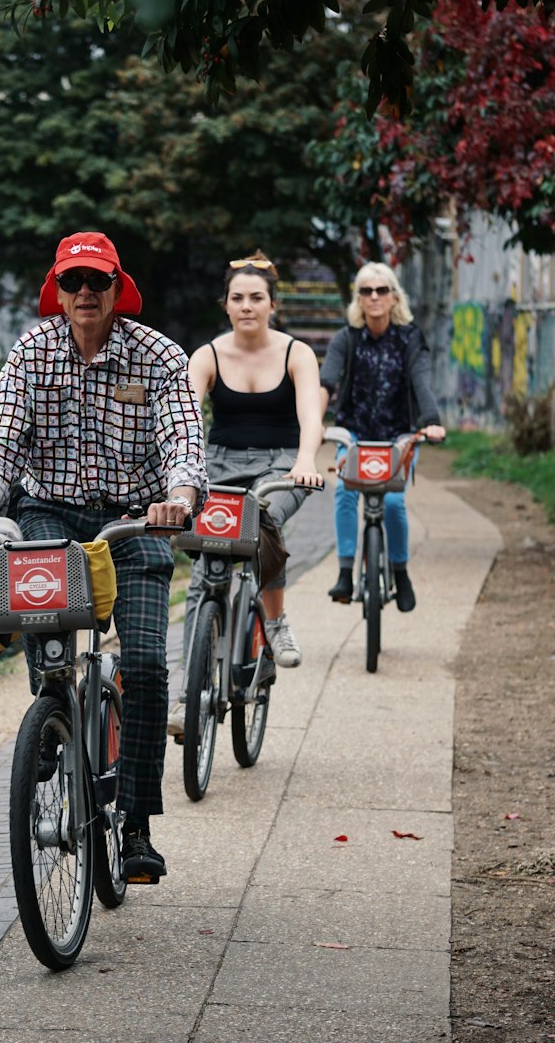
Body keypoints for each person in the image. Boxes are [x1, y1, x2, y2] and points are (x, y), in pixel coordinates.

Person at [0, 230, 207, 882]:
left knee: (143, 663)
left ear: (119, 288)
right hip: (50, 512)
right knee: (40, 618)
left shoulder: (159, 355)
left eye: (98, 281)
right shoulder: (32, 352)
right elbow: (1, 438)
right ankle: (52, 718)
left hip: (138, 516)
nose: (85, 292)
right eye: (73, 282)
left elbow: (181, 439)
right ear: (56, 291)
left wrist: (177, 496)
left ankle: (138, 824)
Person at [168, 253, 324, 733]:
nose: (247, 306)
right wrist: (178, 476)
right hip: (218, 466)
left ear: (271, 303)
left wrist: (304, 461)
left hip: (281, 464)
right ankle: (185, 694)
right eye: (238, 298)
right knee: (202, 573)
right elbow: (185, 420)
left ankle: (274, 622)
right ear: (227, 305)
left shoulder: (296, 352)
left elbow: (311, 417)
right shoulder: (207, 356)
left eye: (256, 297)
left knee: (261, 519)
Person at [319, 261, 446, 611]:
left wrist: (431, 421)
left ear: (393, 297)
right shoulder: (347, 338)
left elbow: (421, 381)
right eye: (366, 291)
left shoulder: (410, 338)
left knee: (392, 501)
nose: (374, 297)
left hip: (398, 436)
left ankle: (400, 573)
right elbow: (326, 381)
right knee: (345, 491)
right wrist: (315, 421)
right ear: (358, 299)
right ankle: (345, 572)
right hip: (355, 433)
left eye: (381, 290)